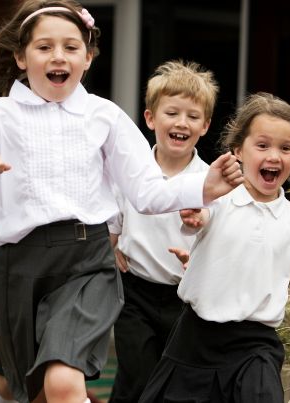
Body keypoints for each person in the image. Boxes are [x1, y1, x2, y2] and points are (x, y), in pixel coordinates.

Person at [0, 2, 243, 402]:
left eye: (71, 47)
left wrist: (205, 188)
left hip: (86, 262)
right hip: (16, 266)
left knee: (62, 381)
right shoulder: (0, 115)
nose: (58, 56)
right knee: (18, 385)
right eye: (44, 47)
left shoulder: (105, 116)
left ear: (88, 58)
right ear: (21, 58)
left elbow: (146, 193)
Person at [139, 92, 290, 403]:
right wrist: (195, 213)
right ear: (238, 150)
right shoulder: (219, 198)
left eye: (285, 148)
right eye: (262, 145)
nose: (274, 156)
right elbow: (201, 214)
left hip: (256, 344)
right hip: (196, 338)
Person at [107, 60, 219, 403]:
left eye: (192, 116)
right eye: (172, 113)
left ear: (205, 126)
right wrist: (110, 249)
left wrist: (198, 220)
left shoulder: (208, 179)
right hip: (134, 293)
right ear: (151, 118)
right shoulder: (132, 172)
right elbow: (113, 219)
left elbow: (212, 224)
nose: (181, 122)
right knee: (137, 373)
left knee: (174, 381)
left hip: (183, 299)